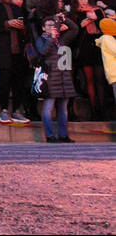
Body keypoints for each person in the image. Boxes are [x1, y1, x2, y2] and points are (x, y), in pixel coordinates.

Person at [38, 12, 78, 143]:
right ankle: (49, 136)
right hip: (50, 78)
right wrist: (51, 38)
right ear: (43, 28)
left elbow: (75, 29)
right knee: (48, 107)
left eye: (53, 25)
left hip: (63, 77)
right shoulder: (41, 39)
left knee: (63, 109)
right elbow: (43, 51)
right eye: (48, 25)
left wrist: (64, 19)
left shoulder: (62, 40)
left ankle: (63, 135)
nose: (51, 27)